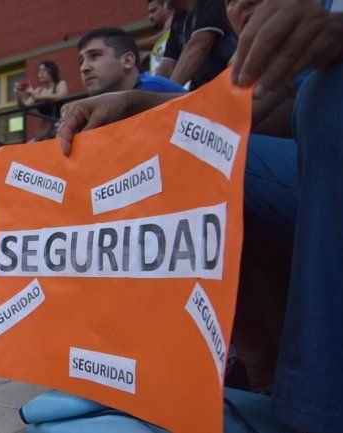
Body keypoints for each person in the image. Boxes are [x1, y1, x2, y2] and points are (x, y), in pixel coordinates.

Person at [57, 2, 343, 430]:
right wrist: (131, 105)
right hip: (299, 170)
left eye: (94, 56)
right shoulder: (267, 55)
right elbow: (231, 114)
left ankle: (311, 411)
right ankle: (238, 375)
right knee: (171, 153)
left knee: (328, 94)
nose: (239, 4)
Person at [77, 28, 187, 97]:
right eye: (81, 61)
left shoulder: (154, 90)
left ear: (127, 61)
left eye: (95, 55)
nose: (83, 68)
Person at [156, 0, 237, 89]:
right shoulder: (179, 15)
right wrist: (153, 91)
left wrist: (168, 91)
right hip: (207, 91)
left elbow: (199, 45)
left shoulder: (211, 2)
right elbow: (168, 64)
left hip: (231, 83)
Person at [14, 60, 69, 141]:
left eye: (43, 70)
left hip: (62, 127)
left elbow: (62, 96)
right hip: (44, 130)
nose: (40, 74)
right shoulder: (38, 90)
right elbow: (25, 106)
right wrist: (18, 95)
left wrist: (38, 97)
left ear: (52, 71)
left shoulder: (60, 84)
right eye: (39, 71)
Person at [135, 0, 174, 75]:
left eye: (153, 11)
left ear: (166, 7)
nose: (150, 17)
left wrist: (131, 44)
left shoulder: (173, 20)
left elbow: (160, 39)